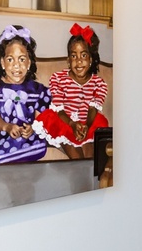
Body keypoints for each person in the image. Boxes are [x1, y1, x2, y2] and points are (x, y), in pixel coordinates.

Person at [34, 23, 109, 159]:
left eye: (83, 56)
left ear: (91, 60)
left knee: (90, 157)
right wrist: (72, 124)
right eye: (74, 56)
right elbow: (59, 109)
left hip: (88, 120)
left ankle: (91, 178)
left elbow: (93, 108)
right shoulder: (58, 78)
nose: (79, 61)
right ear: (68, 60)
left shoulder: (99, 83)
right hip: (64, 120)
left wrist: (86, 125)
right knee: (77, 156)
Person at [0, 25, 52, 163]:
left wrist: (34, 127)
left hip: (32, 145)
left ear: (29, 63)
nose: (16, 65)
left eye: (21, 59)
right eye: (10, 59)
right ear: (2, 63)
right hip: (3, 144)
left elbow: (41, 116)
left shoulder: (37, 90)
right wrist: (7, 126)